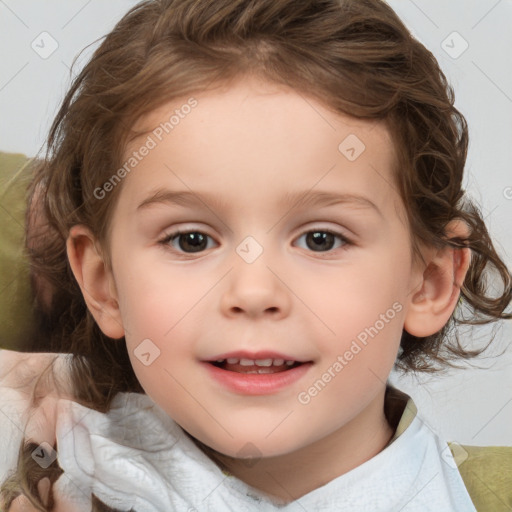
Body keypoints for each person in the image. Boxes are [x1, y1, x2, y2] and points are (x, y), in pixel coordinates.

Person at [1, 0, 511, 510]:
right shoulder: (46, 482)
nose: (253, 292)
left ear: (429, 282)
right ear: (101, 281)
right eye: (191, 240)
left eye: (321, 239)